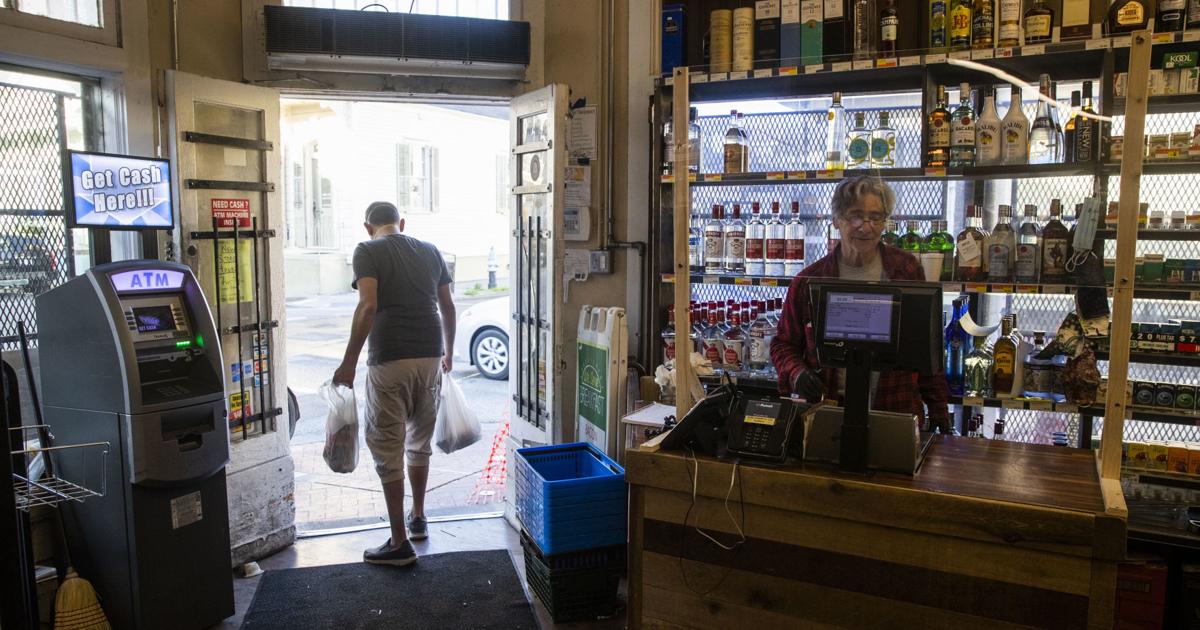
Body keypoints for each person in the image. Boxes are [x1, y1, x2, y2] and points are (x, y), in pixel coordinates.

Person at [769, 176, 950, 432]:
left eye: (876, 217)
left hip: (895, 410)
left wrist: (939, 410)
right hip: (828, 412)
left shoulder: (905, 270)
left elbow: (927, 349)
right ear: (836, 219)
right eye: (855, 216)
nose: (866, 228)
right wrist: (797, 373)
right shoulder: (809, 281)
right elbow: (783, 344)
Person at [333, 201, 455, 567]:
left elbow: (367, 306)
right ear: (401, 223)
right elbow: (447, 306)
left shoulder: (367, 250)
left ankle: (399, 541)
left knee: (387, 445)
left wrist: (348, 363)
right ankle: (418, 517)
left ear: (368, 227)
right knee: (419, 441)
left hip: (390, 358)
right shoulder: (431, 250)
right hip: (431, 355)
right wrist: (448, 354)